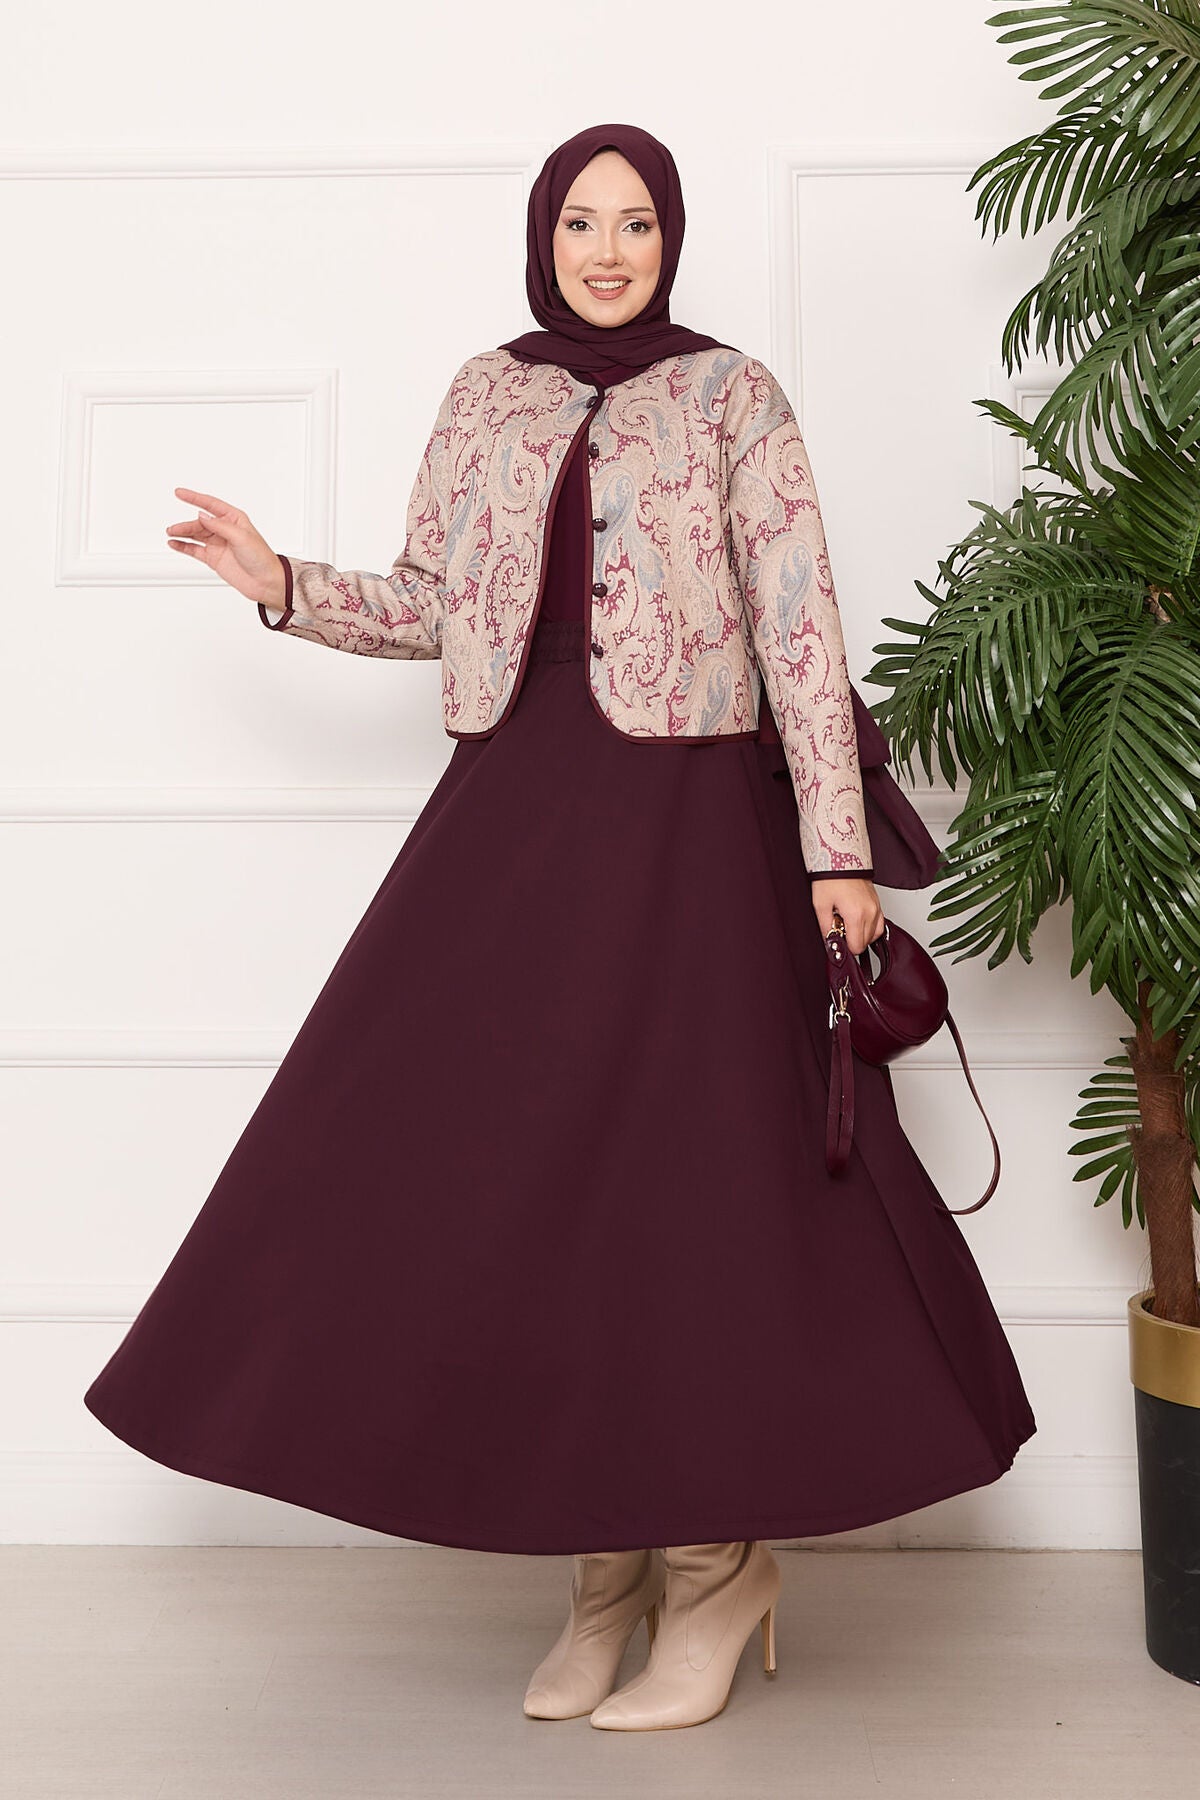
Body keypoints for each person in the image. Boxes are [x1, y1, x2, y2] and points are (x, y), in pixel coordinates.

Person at [83, 122, 1036, 1733]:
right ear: (545, 236)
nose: (607, 250)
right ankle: (605, 1573)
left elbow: (801, 623)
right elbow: (433, 600)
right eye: (582, 222)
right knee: (521, 1185)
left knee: (687, 1196)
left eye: (637, 222)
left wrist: (836, 845)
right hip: (516, 820)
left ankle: (716, 1572)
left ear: (672, 239)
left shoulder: (733, 396)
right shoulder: (489, 392)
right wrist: (280, 581)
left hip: (690, 829)